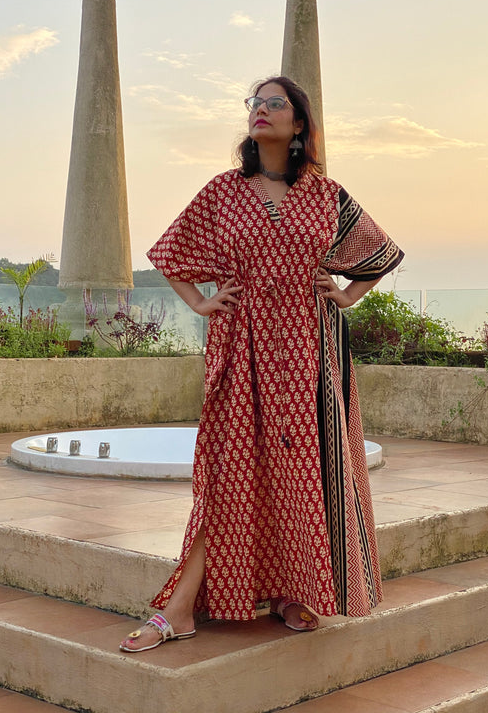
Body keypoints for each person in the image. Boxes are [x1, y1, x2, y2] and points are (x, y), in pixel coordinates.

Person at [120, 76, 404, 652]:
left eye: (276, 103)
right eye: (255, 103)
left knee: (301, 470)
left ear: (299, 124)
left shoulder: (326, 195)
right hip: (243, 349)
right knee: (229, 476)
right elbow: (169, 253)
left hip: (309, 350)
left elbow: (380, 253)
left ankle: (293, 590)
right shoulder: (224, 191)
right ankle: (181, 608)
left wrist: (348, 295)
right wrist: (200, 302)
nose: (261, 111)